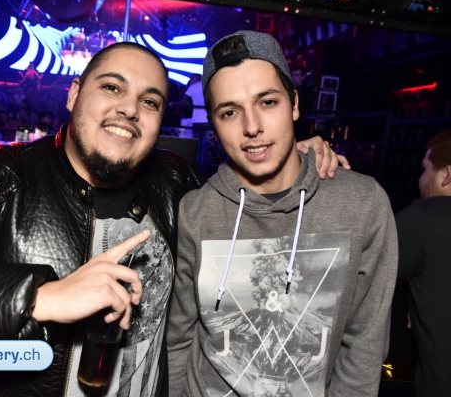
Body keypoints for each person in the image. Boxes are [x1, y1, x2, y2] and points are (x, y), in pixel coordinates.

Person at [0, 42, 342, 396]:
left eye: (150, 101)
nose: (129, 109)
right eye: (111, 87)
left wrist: (289, 160)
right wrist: (40, 297)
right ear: (74, 94)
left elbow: (252, 211)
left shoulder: (177, 184)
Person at [167, 31, 397, 397]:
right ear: (214, 124)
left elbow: (365, 344)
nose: (252, 127)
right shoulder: (195, 212)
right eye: (230, 112)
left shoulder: (363, 203)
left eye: (268, 102)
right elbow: (178, 338)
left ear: (294, 104)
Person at [395, 130, 451, 397]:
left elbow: (350, 267)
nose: (420, 179)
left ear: (447, 174)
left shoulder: (427, 218)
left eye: (425, 169)